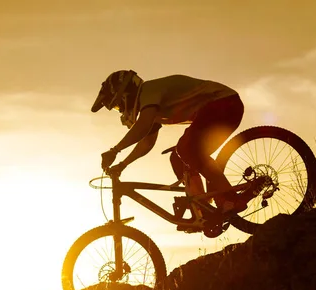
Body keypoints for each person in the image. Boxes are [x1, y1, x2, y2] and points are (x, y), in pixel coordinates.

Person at [91, 69, 248, 213]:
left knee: (186, 150)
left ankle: (232, 199)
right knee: (179, 157)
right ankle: (205, 211)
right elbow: (147, 142)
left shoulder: (149, 90)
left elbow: (142, 127)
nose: (121, 110)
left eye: (118, 106)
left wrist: (115, 151)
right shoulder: (150, 107)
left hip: (224, 104)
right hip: (224, 108)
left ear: (126, 95)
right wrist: (122, 165)